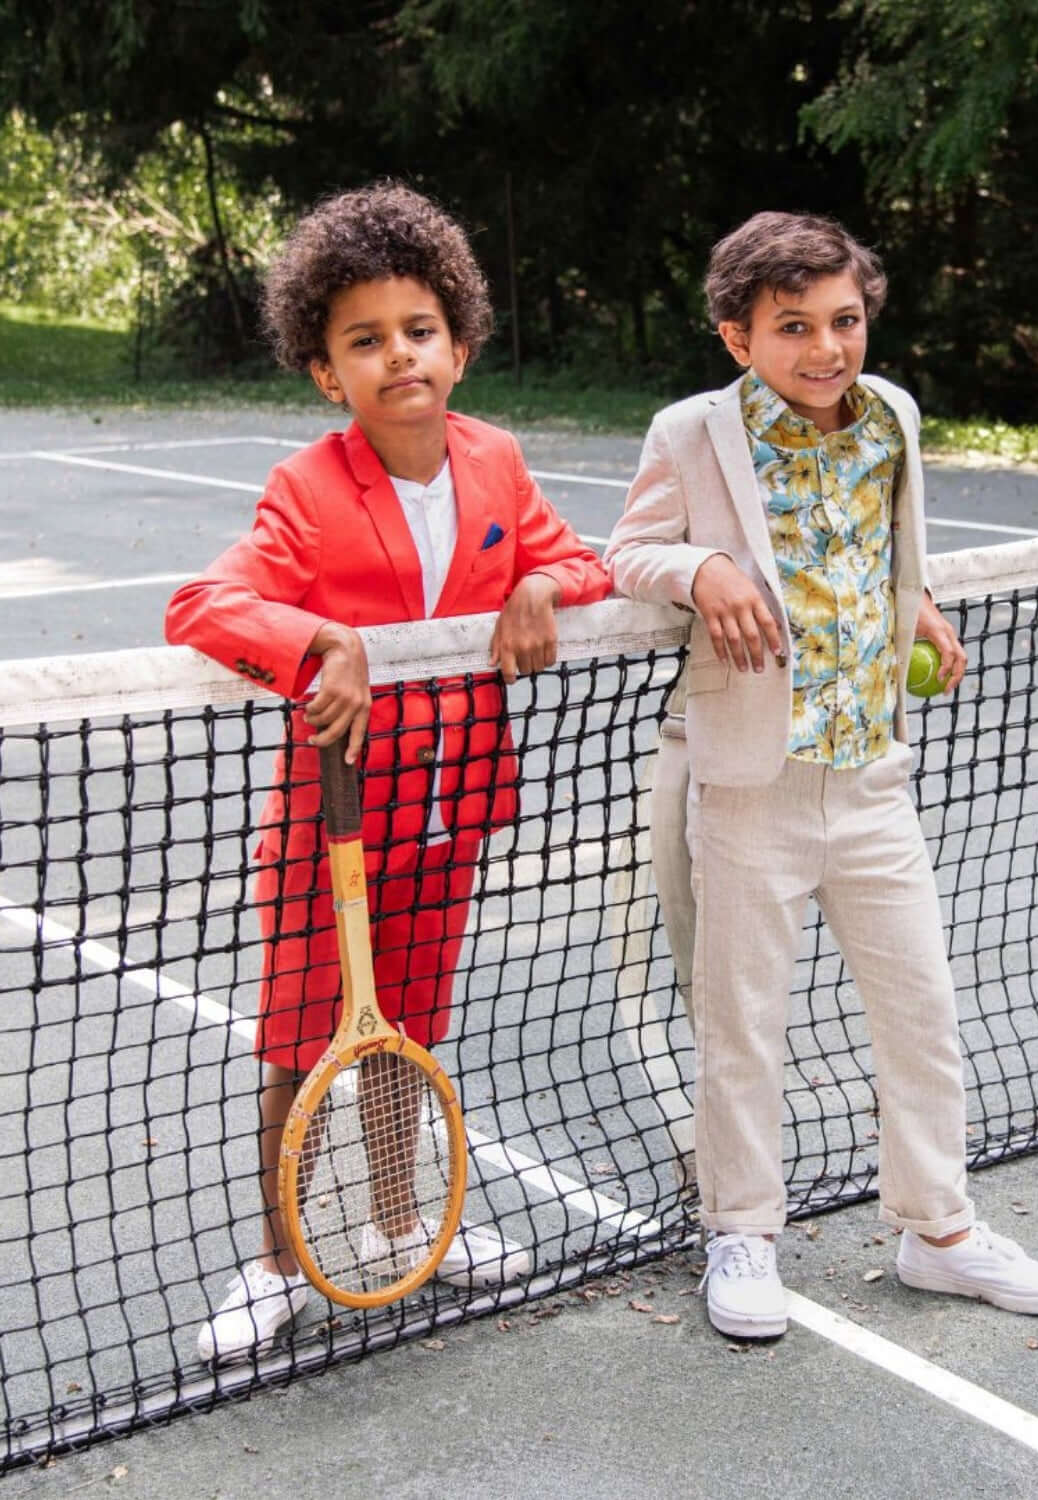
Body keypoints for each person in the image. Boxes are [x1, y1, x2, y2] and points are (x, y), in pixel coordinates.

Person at [604, 211, 1038, 1340]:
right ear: (737, 336)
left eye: (844, 320)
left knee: (923, 1012)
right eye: (793, 327)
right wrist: (703, 563)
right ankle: (742, 1234)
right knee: (743, 1027)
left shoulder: (893, 419)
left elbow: (882, 540)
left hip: (872, 782)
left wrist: (913, 597)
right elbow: (622, 557)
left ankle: (938, 1231)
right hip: (746, 787)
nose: (826, 348)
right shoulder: (691, 433)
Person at [166, 181, 610, 1363]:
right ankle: (272, 1265)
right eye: (364, 340)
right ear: (327, 372)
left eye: (417, 331)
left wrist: (543, 585)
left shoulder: (499, 464)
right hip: (335, 833)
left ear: (458, 345)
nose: (397, 355)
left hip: (449, 818)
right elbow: (203, 604)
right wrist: (321, 641)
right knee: (298, 1046)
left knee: (406, 1036)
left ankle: (402, 1220)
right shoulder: (306, 491)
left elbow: (587, 565)